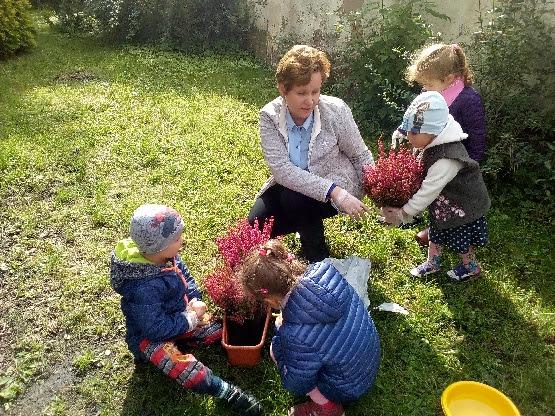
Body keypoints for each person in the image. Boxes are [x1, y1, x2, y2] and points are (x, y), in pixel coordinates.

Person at [109, 204, 262, 415]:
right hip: (151, 339)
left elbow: (185, 277)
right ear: (158, 248)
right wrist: (190, 319)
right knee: (183, 366)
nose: (182, 241)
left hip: (180, 316)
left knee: (219, 328)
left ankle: (194, 337)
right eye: (177, 239)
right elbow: (154, 328)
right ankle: (225, 391)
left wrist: (193, 299)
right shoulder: (142, 288)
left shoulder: (165, 257)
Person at [248, 45, 374, 263]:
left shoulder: (336, 111)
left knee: (294, 198)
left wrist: (377, 190)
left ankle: (318, 260)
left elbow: (359, 155)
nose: (310, 100)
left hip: (335, 185)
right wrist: (334, 192)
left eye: (315, 91)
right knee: (254, 227)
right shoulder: (269, 116)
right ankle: (303, 225)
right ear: (282, 89)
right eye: (301, 93)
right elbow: (281, 171)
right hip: (319, 189)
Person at [238, 239, 381, 416]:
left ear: (270, 300)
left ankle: (328, 409)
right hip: (369, 358)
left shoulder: (295, 335)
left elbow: (296, 383)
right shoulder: (325, 271)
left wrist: (280, 335)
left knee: (275, 351)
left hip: (350, 387)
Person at [381, 91, 490, 282]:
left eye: (413, 133)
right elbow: (417, 134)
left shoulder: (447, 159)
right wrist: (403, 132)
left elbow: (428, 191)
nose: (409, 136)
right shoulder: (432, 137)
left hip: (463, 207)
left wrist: (405, 213)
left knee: (461, 240)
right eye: (407, 130)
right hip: (445, 205)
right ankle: (433, 263)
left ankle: (470, 266)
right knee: (436, 233)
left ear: (433, 132)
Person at [403, 43, 487, 246]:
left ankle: (445, 227)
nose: (424, 89)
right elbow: (419, 115)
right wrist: (403, 128)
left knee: (451, 198)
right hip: (435, 154)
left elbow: (477, 138)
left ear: (448, 79)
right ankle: (427, 220)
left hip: (455, 161)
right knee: (432, 189)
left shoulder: (468, 100)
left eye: (428, 85)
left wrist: (466, 166)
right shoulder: (433, 93)